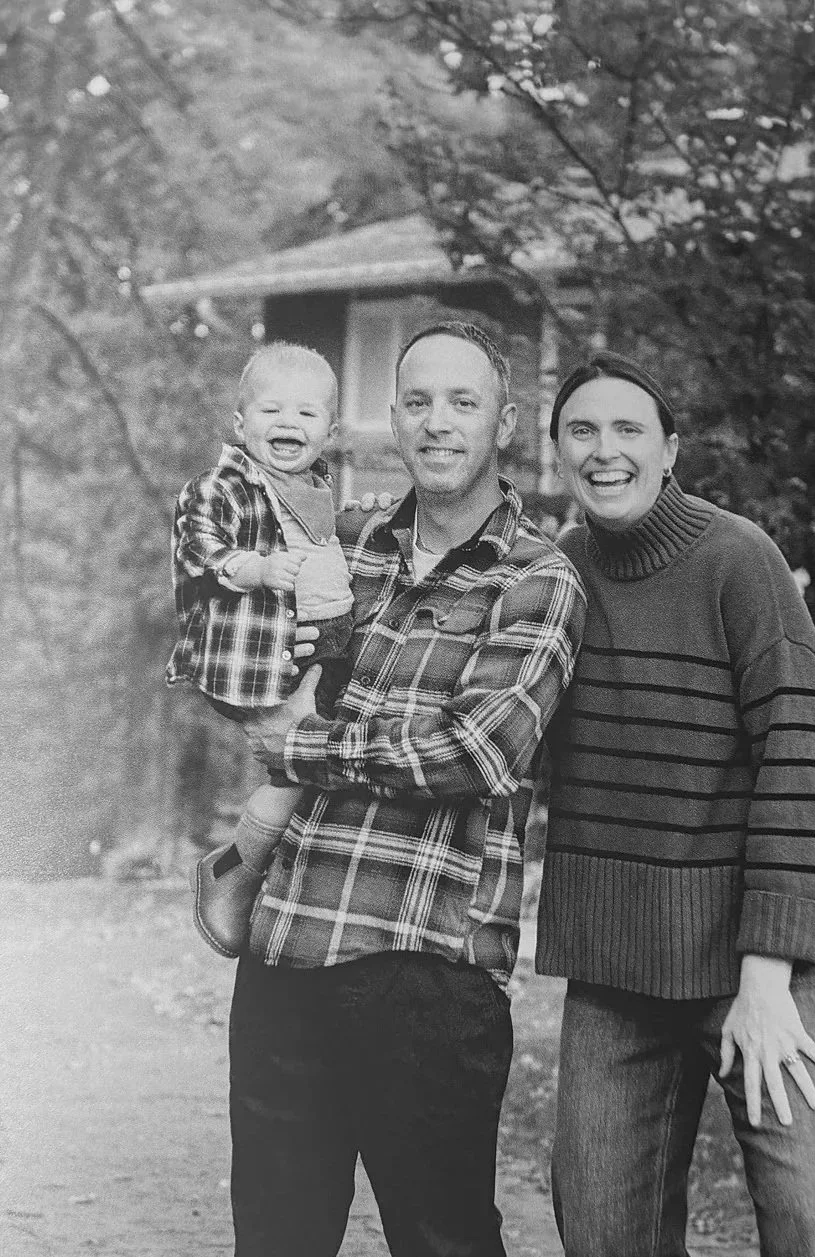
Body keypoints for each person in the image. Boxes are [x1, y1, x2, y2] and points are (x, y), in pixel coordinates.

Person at [235, 321, 586, 1257]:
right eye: (418, 401)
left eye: (463, 402)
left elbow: (477, 749)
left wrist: (306, 749)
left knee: (443, 1244)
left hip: (426, 968)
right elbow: (243, 654)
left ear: (505, 424)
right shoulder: (342, 548)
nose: (438, 422)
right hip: (287, 949)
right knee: (272, 1242)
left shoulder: (538, 576)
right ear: (391, 418)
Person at [535, 350, 815, 1257]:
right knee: (603, 1233)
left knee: (812, 1230)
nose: (606, 450)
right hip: (621, 950)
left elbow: (803, 755)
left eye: (629, 429)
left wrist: (764, 976)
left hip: (771, 949)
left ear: (671, 447)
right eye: (583, 430)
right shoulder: (554, 577)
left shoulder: (738, 560)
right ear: (558, 450)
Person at [166, 342, 355, 958]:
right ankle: (232, 874)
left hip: (305, 648)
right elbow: (196, 543)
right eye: (271, 411)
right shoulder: (225, 485)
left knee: (319, 765)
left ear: (330, 429)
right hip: (247, 658)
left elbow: (333, 548)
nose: (287, 425)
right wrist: (253, 566)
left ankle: (249, 872)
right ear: (241, 424)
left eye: (306, 414)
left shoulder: (320, 489)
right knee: (298, 763)